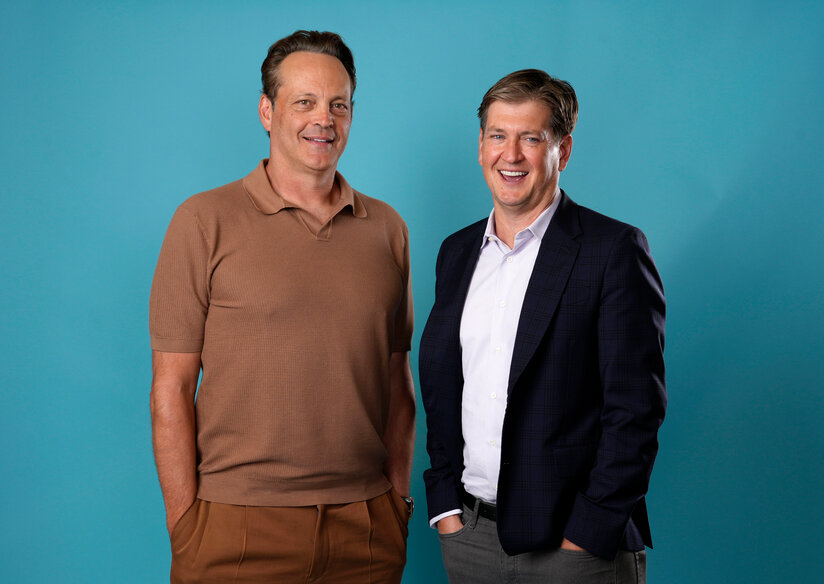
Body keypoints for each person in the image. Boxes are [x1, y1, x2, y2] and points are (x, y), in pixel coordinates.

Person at [149, 30, 415, 583]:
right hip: (234, 527)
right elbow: (171, 389)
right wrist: (187, 529)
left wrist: (394, 504)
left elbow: (397, 382)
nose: (324, 119)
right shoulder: (203, 221)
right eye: (305, 102)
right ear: (268, 111)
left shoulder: (387, 230)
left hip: (364, 529)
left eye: (338, 105)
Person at [419, 69, 666, 583]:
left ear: (563, 151)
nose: (510, 155)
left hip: (573, 550)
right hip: (471, 539)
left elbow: (635, 411)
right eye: (497, 135)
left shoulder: (612, 251)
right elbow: (444, 388)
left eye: (531, 138)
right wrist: (445, 509)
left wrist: (587, 536)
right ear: (480, 144)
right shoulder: (456, 252)